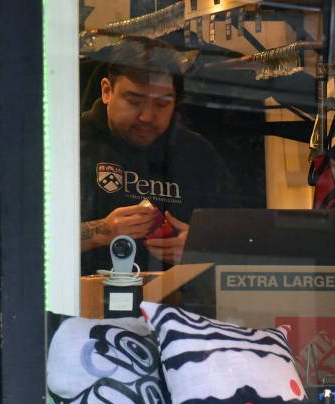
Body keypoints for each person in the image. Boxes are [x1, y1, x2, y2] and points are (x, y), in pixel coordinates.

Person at [80, 37, 239, 274]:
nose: (147, 116)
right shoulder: (70, 145)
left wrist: (202, 247)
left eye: (162, 104)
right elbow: (26, 239)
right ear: (106, 91)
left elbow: (242, 241)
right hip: (86, 305)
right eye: (134, 101)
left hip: (179, 307)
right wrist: (100, 231)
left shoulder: (199, 155)